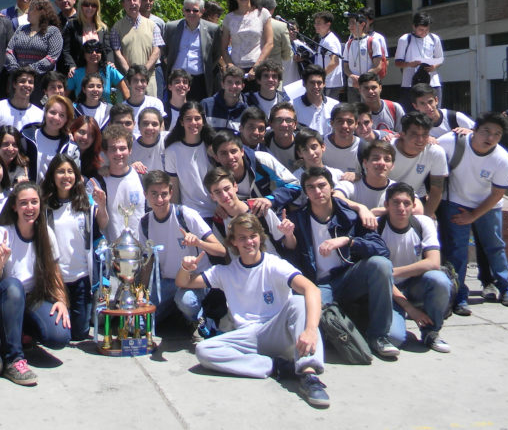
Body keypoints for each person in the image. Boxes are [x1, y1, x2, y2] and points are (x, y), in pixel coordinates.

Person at [180, 214, 329, 408]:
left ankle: (309, 375)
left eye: (253, 236)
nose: (249, 242)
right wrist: (186, 267)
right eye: (242, 237)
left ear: (260, 237)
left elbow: (312, 289)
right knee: (204, 350)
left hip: (279, 330)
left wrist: (310, 330)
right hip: (248, 336)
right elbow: (183, 282)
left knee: (300, 302)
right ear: (233, 242)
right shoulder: (225, 272)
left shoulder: (275, 264)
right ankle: (278, 367)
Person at [285, 167, 399, 359]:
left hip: (348, 277)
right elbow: (291, 259)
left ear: (331, 188)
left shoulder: (350, 216)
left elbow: (382, 250)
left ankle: (379, 336)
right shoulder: (298, 219)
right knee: (316, 321)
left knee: (381, 265)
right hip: (318, 285)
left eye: (322, 185)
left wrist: (349, 241)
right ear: (305, 192)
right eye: (311, 187)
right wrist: (288, 236)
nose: (317, 191)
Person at [0, 181, 71, 386]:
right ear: (14, 206)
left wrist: (61, 301)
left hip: (31, 298)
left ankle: (22, 334)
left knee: (60, 336)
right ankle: (13, 359)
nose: (29, 208)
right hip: (6, 298)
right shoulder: (2, 233)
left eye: (34, 202)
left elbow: (54, 272)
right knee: (14, 286)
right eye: (23, 203)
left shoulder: (46, 233)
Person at [437, 112, 508, 315]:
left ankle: (506, 287)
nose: (490, 138)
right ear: (474, 129)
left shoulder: (502, 159)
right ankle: (458, 294)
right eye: (486, 131)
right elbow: (430, 148)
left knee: (494, 246)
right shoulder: (452, 142)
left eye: (497, 134)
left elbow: (497, 193)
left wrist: (473, 215)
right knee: (457, 250)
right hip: (455, 202)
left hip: (487, 205)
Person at [139, 171, 226, 335]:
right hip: (166, 282)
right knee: (137, 325)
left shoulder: (186, 215)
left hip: (194, 279)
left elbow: (221, 251)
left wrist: (198, 242)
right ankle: (175, 313)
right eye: (154, 194)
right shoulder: (144, 223)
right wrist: (142, 293)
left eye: (164, 194)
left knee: (186, 302)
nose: (159, 200)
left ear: (171, 193)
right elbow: (148, 261)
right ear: (145, 194)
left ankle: (199, 320)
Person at [378, 183, 453, 352]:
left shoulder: (423, 223)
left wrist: (393, 272)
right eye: (396, 202)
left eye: (406, 203)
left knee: (439, 279)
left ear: (413, 205)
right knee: (394, 339)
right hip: (387, 290)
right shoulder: (376, 226)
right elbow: (379, 278)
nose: (401, 208)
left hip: (414, 285)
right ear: (386, 205)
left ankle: (430, 332)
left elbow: (433, 262)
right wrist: (410, 309)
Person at [41, 155, 108, 340]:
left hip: (81, 278)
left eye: (70, 172)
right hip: (56, 279)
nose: (66, 176)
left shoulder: (85, 203)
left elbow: (101, 224)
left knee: (79, 334)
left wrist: (101, 206)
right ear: (52, 176)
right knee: (58, 332)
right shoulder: (45, 206)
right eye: (61, 171)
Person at [203, 168, 293, 257]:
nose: (224, 195)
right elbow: (225, 255)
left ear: (235, 186)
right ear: (212, 196)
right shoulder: (219, 223)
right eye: (217, 192)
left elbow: (290, 245)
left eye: (227, 189)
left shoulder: (260, 209)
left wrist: (289, 234)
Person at [207, 131, 301, 213]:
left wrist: (270, 200)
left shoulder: (261, 160)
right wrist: (221, 207)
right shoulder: (216, 178)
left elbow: (295, 185)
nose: (230, 157)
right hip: (243, 226)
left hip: (274, 216)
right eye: (223, 153)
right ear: (216, 157)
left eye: (233, 151)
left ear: (242, 151)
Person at [389, 112, 448, 218]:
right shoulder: (387, 150)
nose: (420, 140)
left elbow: (437, 189)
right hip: (386, 198)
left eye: (425, 134)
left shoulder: (435, 152)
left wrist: (428, 215)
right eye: (414, 134)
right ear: (402, 134)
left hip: (415, 199)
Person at [163, 0, 221, 101]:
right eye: (187, 10)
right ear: (183, 11)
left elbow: (216, 54)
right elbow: (165, 50)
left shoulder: (213, 30)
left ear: (202, 11)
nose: (191, 13)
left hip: (199, 81)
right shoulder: (171, 27)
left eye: (195, 10)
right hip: (176, 79)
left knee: (196, 114)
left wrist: (207, 67)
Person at [164, 102, 217, 219]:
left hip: (216, 213)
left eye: (197, 118)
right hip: (190, 215)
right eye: (188, 119)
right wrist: (176, 217)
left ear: (203, 121)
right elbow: (174, 188)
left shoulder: (213, 148)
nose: (193, 123)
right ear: (182, 122)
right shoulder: (172, 151)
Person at [111, 0, 163, 97]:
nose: (132, 3)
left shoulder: (153, 25)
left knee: (151, 112)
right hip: (128, 80)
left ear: (139, 2)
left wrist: (144, 70)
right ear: (123, 4)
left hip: (149, 78)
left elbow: (156, 50)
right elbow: (117, 52)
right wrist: (131, 73)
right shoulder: (117, 27)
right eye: (128, 0)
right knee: (128, 113)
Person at [220, 0, 273, 85]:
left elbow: (269, 43)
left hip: (257, 68)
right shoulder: (229, 18)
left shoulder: (262, 13)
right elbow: (223, 47)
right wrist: (230, 66)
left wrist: (256, 67)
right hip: (236, 69)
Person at [101, 125, 145, 242]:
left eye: (122, 148)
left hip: (140, 252)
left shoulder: (141, 177)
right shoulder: (99, 182)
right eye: (113, 149)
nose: (118, 153)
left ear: (130, 150)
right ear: (106, 152)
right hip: (112, 253)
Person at [21, 95, 80, 179]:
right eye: (52, 112)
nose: (56, 118)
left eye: (62, 115)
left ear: (67, 119)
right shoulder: (27, 136)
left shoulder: (71, 147)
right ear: (45, 113)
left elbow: (74, 176)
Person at [5, 0, 63, 77]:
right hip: (18, 79)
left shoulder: (53, 31)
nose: (28, 12)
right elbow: (9, 50)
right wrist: (16, 70)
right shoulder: (21, 29)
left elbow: (52, 57)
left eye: (31, 9)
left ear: (41, 12)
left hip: (41, 81)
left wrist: (29, 70)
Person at [396, 12, 444, 108]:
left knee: (434, 111)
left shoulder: (434, 38)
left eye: (427, 30)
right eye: (421, 30)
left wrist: (434, 66)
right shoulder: (405, 39)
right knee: (412, 114)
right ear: (414, 27)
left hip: (432, 82)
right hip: (410, 83)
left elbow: (440, 59)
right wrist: (410, 64)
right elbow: (397, 63)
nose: (424, 32)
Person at [62, 0, 113, 79]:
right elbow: (66, 50)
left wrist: (110, 62)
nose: (90, 8)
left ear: (97, 8)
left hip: (99, 76)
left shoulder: (103, 28)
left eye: (93, 5)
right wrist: (71, 66)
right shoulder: (71, 25)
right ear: (81, 6)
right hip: (77, 74)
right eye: (86, 4)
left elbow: (108, 50)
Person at [67, 39, 126, 104]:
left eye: (97, 50)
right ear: (84, 54)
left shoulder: (109, 69)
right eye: (90, 51)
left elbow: (126, 92)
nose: (94, 53)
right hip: (81, 112)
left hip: (105, 112)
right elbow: (64, 95)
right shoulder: (75, 73)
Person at [0, 67, 44, 131]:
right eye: (22, 81)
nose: (27, 85)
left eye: (30, 82)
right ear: (14, 84)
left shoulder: (39, 114)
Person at [342, 13, 385, 96]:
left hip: (368, 86)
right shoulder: (348, 43)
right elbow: (346, 66)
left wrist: (363, 79)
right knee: (353, 108)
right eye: (349, 23)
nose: (350, 26)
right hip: (353, 85)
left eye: (353, 23)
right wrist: (352, 76)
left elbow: (378, 66)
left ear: (362, 24)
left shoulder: (373, 41)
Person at [291, 64, 338, 135]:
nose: (316, 86)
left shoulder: (334, 105)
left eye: (319, 83)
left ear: (324, 84)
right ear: (304, 84)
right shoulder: (293, 105)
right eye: (312, 83)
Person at [321, 103, 364, 178]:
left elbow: (372, 176)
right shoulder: (320, 144)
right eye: (340, 121)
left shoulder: (363, 148)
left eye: (349, 122)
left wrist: (359, 176)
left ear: (356, 124)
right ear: (332, 123)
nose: (344, 126)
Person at [200, 65, 247, 132]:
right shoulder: (206, 105)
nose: (233, 86)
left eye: (237, 83)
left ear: (242, 86)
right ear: (222, 84)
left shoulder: (246, 111)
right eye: (229, 82)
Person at [123, 65, 166, 135]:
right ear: (128, 83)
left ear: (147, 83)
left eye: (143, 81)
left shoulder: (156, 103)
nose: (139, 84)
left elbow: (161, 129)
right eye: (135, 80)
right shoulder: (123, 107)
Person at [310, 12, 343, 101]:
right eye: (315, 23)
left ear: (328, 24)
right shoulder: (323, 39)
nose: (316, 25)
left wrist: (321, 76)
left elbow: (335, 62)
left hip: (330, 83)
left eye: (319, 23)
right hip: (326, 82)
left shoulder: (330, 40)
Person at [258, 0, 292, 72]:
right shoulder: (281, 26)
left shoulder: (248, 24)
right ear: (273, 9)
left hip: (253, 72)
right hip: (274, 74)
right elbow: (287, 56)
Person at [266, 102, 300, 172]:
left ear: (295, 124)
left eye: (288, 120)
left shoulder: (303, 144)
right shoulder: (264, 142)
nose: (284, 124)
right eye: (279, 120)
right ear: (271, 124)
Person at [130, 107, 166, 174]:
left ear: (160, 126)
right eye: (145, 123)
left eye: (154, 124)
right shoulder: (131, 150)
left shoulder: (167, 141)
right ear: (138, 126)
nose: (149, 127)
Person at [69, 115, 104, 179]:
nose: (85, 137)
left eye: (91, 135)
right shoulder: (62, 151)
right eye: (82, 132)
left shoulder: (96, 164)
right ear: (73, 131)